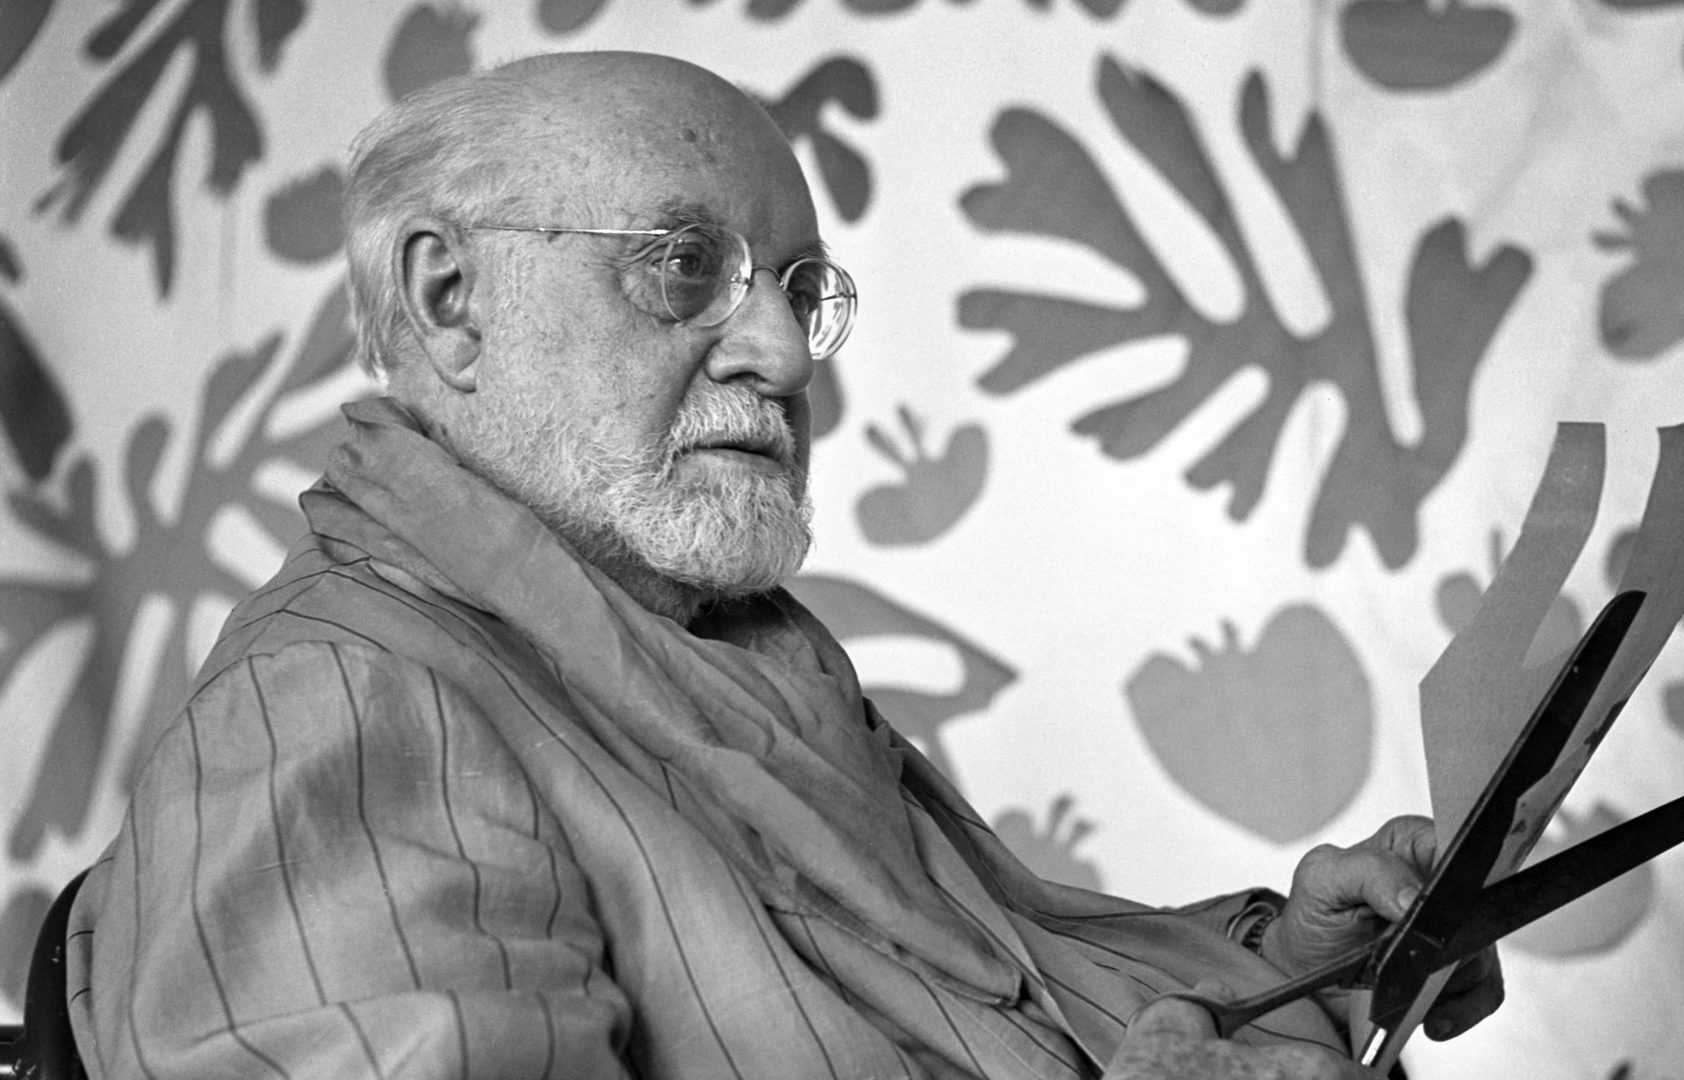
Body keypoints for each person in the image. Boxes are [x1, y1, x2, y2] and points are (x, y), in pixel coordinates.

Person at [65, 51, 1500, 1079]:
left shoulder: (743, 656)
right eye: (680, 266)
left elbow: (1000, 995)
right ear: (453, 303)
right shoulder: (347, 702)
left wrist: (1295, 962)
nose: (774, 355)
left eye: (798, 289)